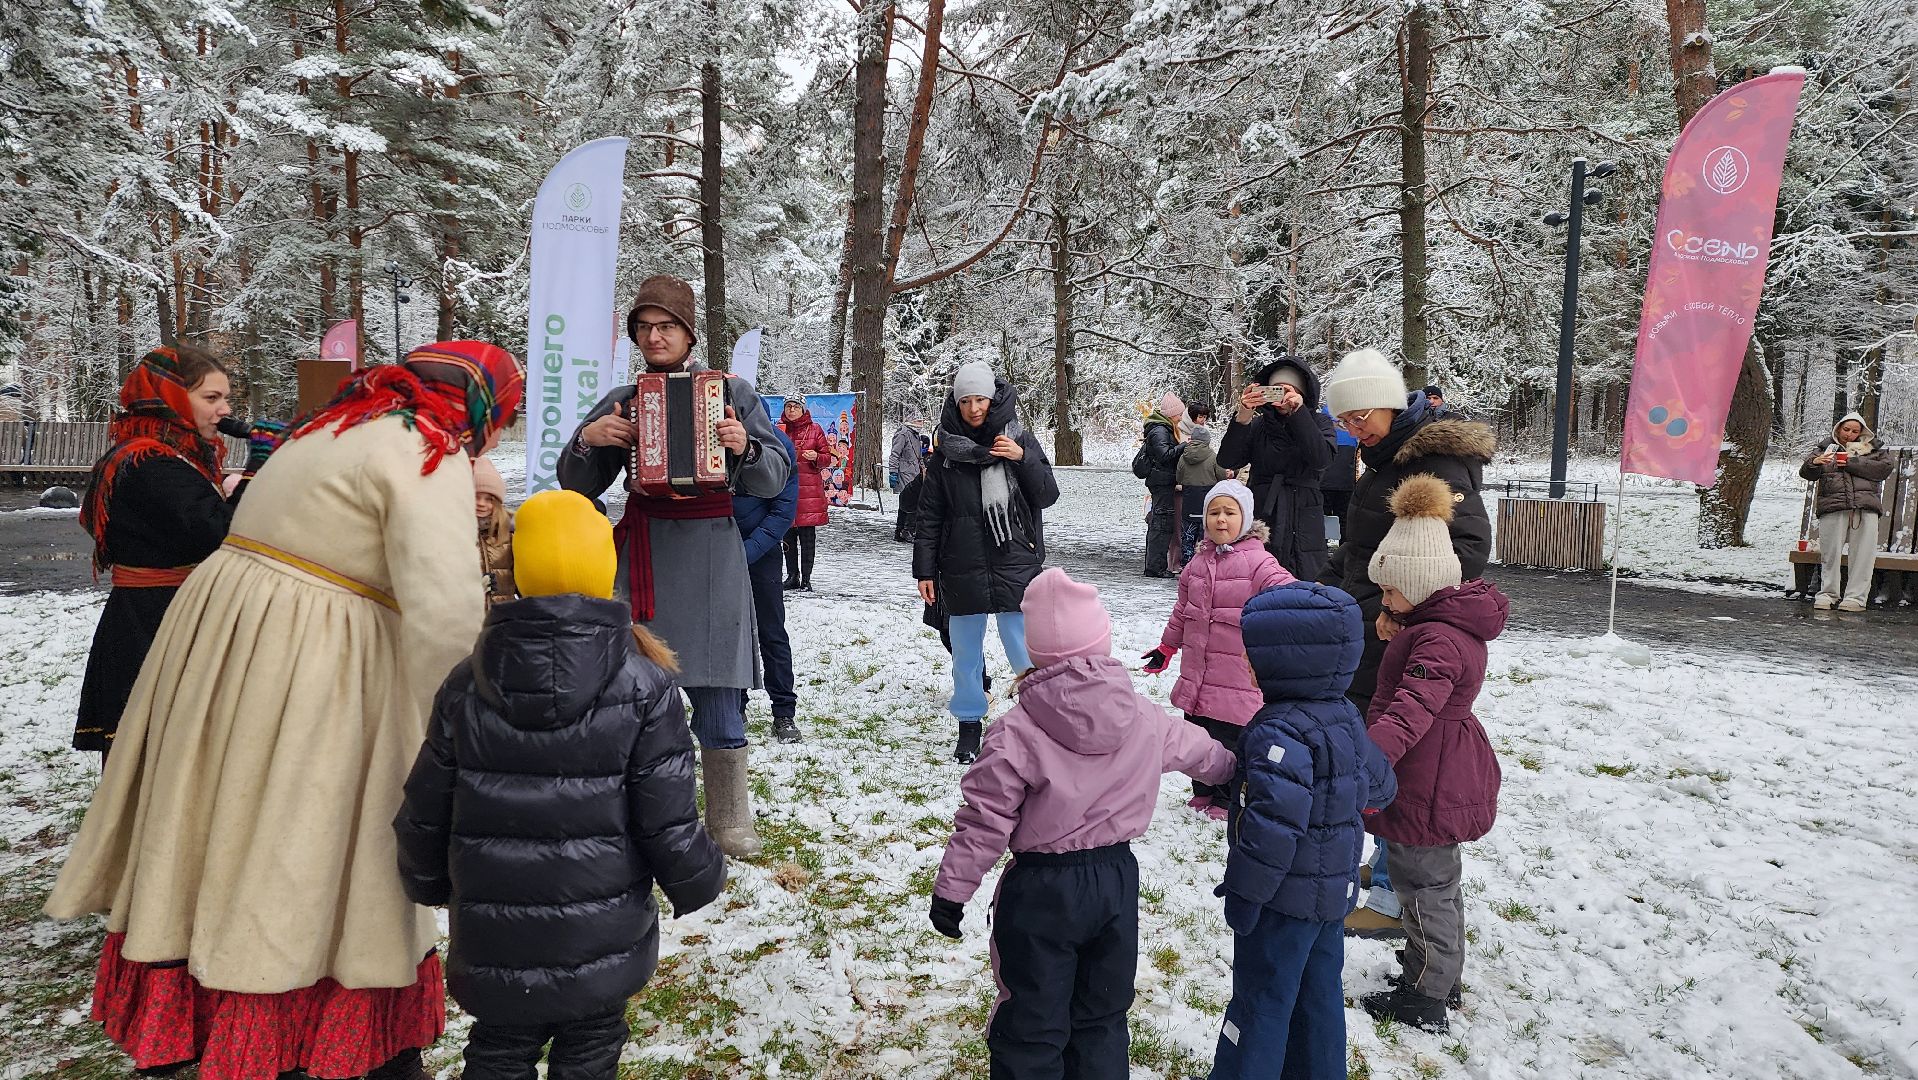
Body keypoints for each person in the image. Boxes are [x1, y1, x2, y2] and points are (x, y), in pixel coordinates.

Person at [46, 341, 525, 1080]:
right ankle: (291, 1019)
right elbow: (444, 609)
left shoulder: (332, 425)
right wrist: (466, 730)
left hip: (226, 635)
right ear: (482, 407)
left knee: (221, 824)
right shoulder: (422, 447)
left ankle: (202, 1002)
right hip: (312, 656)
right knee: (304, 837)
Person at [394, 489, 727, 1080]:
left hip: (495, 932)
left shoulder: (467, 681)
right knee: (592, 1049)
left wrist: (425, 876)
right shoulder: (644, 685)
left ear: (520, 574)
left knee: (498, 1050)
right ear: (605, 571)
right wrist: (697, 876)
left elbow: (427, 800)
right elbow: (666, 816)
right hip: (599, 934)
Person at [929, 568, 1236, 1077]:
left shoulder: (1015, 733)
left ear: (1034, 652)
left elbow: (984, 821)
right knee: (1101, 1011)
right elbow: (1202, 752)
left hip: (1041, 891)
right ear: (1102, 640)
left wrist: (952, 891)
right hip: (1114, 884)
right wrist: (1235, 771)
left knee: (1032, 1014)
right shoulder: (1142, 715)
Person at [559, 274, 792, 858]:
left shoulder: (733, 393)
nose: (654, 337)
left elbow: (774, 478)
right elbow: (575, 482)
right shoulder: (623, 398)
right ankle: (642, 814)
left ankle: (729, 819)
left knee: (716, 684)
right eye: (644, 328)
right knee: (633, 693)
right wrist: (589, 438)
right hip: (646, 554)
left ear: (688, 333)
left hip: (714, 550)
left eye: (665, 327)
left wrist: (746, 446)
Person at [1320, 347, 1493, 940]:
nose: (1353, 427)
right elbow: (1369, 546)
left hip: (1399, 630)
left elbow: (1464, 554)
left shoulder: (1435, 462)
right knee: (1389, 759)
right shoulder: (1384, 455)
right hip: (1372, 618)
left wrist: (1408, 614)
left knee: (1402, 762)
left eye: (1361, 413)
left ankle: (1398, 900)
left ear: (1392, 402)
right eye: (1344, 419)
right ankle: (1391, 883)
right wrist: (1325, 577)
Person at [1209, 581, 1396, 1078]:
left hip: (1280, 902)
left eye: (1255, 654)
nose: (1247, 663)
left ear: (1286, 661)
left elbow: (1274, 829)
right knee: (1318, 997)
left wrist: (1244, 897)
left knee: (1261, 1001)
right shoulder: (1346, 716)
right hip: (1333, 895)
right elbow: (1381, 787)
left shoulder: (1278, 730)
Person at [1356, 475, 1506, 1033]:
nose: (1384, 599)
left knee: (1423, 886)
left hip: (1428, 774)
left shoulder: (1438, 639)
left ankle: (1428, 994)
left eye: (1391, 590)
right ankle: (1437, 971)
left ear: (1418, 584)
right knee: (1431, 881)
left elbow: (1410, 710)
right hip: (1432, 766)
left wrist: (1368, 760)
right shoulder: (1434, 624)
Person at [72, 345, 272, 761]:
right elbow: (219, 531)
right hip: (153, 622)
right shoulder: (149, 462)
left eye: (227, 399)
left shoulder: (178, 455)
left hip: (173, 613)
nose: (224, 410)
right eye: (211, 398)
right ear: (172, 398)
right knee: (155, 751)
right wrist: (256, 471)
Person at [914, 361, 1059, 764]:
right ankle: (969, 726)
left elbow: (1047, 494)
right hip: (961, 565)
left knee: (1024, 649)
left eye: (980, 399)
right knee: (965, 653)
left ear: (993, 399)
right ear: (956, 404)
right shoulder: (946, 454)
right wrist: (925, 570)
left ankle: (1040, 720)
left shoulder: (1019, 439)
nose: (975, 408)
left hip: (1015, 561)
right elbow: (930, 517)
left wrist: (1021, 458)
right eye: (966, 401)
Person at [1142, 480, 1293, 820]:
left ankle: (1227, 797)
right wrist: (1167, 647)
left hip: (1235, 677)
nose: (1220, 520)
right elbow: (1182, 611)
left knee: (1230, 739)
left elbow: (1287, 591)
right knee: (1197, 737)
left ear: (1245, 518)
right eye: (1214, 512)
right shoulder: (1196, 563)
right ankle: (1202, 790)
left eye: (1229, 512)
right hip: (1198, 673)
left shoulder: (1259, 563)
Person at [1217, 356, 1335, 580]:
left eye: (1288, 389)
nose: (1281, 395)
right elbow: (1228, 460)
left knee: (1305, 576)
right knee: (1261, 576)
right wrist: (1243, 416)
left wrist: (1298, 414)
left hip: (1304, 510)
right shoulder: (1259, 425)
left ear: (1301, 392)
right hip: (1265, 508)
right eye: (1276, 389)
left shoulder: (1319, 422)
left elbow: (1321, 459)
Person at [739, 426, 802, 741]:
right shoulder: (709, 442)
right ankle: (733, 706)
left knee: (772, 631)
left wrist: (746, 552)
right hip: (719, 548)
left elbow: (782, 512)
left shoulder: (779, 446)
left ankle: (784, 711)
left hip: (762, 552)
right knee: (728, 630)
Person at [1801, 412, 1893, 611]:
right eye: (1846, 429)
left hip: (1865, 506)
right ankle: (1827, 594)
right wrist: (1814, 463)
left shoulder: (1874, 449)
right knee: (1830, 552)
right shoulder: (1825, 448)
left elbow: (1884, 469)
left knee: (1863, 554)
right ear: (1838, 429)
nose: (1849, 434)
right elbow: (1807, 473)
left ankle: (1856, 598)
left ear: (1862, 432)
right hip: (1834, 505)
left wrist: (1851, 463)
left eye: (1855, 431)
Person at [779, 397, 836, 590]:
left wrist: (816, 457)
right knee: (787, 537)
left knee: (807, 538)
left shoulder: (815, 429)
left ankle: (806, 579)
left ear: (803, 410)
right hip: (785, 489)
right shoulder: (779, 429)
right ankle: (792, 576)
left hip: (808, 491)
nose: (791, 410)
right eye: (788, 406)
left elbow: (827, 458)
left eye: (795, 406)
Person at [1138, 392, 1186, 577]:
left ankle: (1155, 565)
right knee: (1161, 523)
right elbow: (1164, 455)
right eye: (1179, 414)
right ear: (1172, 414)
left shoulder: (1161, 429)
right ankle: (1155, 567)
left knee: (1160, 522)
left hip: (1162, 480)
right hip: (1162, 481)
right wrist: (1183, 447)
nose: (1181, 417)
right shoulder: (1160, 430)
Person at [1175, 426, 1229, 565]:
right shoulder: (1213, 456)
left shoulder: (1183, 456)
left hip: (1189, 499)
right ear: (1207, 441)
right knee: (1206, 537)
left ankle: (1186, 564)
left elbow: (1179, 477)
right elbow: (1222, 476)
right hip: (1207, 502)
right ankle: (1205, 564)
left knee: (1187, 536)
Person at [473, 457, 515, 605]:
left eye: (489, 499)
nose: (481, 504)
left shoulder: (512, 532)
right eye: (475, 497)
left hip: (504, 615)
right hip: (465, 616)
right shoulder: (450, 532)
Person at [1320, 412, 1360, 541]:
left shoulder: (1322, 423)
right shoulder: (1352, 425)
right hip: (1346, 483)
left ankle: (1324, 545)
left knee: (1323, 519)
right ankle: (1343, 549)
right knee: (1344, 520)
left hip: (1324, 482)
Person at [891, 415, 928, 540]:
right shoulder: (903, 434)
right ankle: (904, 530)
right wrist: (893, 472)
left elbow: (919, 456)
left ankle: (903, 530)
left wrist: (923, 469)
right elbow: (895, 454)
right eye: (918, 420)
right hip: (904, 472)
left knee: (911, 501)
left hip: (915, 472)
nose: (921, 423)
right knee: (908, 501)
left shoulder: (915, 435)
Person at [896, 429, 933, 543]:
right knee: (914, 508)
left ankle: (903, 531)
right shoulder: (921, 481)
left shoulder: (928, 458)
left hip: (909, 496)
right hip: (910, 499)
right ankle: (906, 531)